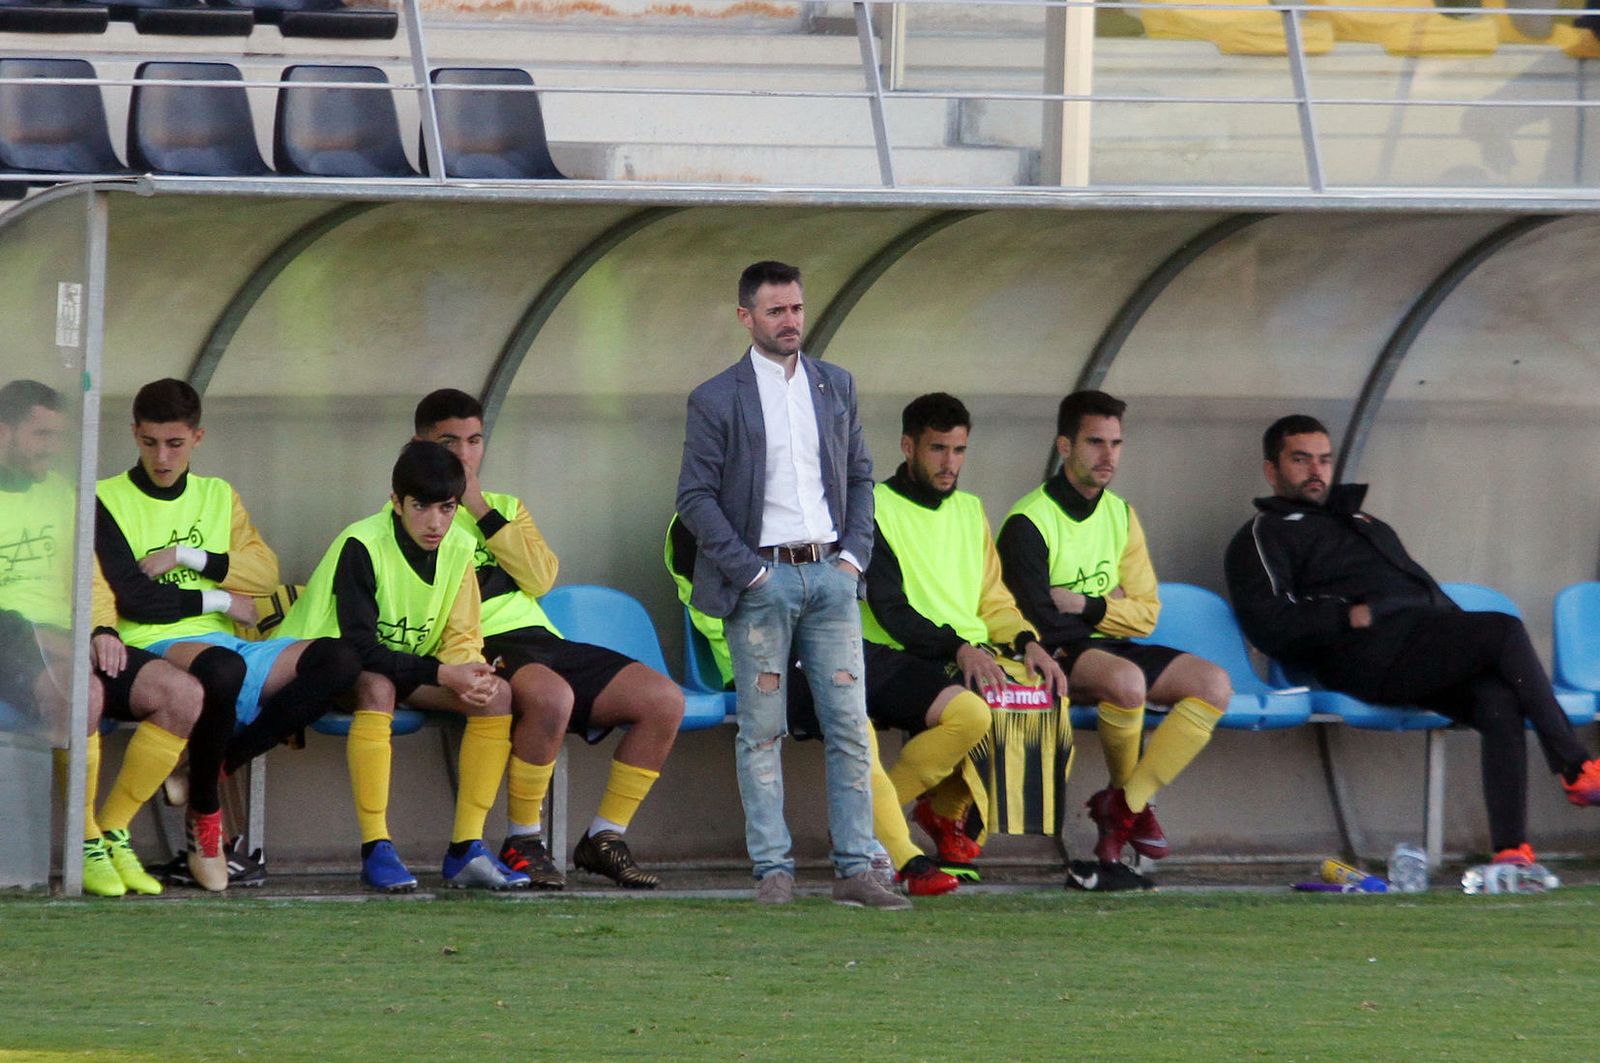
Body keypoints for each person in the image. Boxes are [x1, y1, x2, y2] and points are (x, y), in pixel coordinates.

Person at [1224, 414, 1600, 869]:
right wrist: (1346, 615)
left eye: (1324, 460)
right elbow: (1269, 624)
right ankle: (1576, 767)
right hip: (1363, 658)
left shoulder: (1361, 520)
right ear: (1272, 470)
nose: (1316, 471)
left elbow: (1421, 590)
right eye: (1301, 460)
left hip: (1417, 647)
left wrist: (1467, 643)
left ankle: (1511, 853)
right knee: (1502, 628)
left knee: (1498, 699)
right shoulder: (1262, 535)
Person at [676, 260, 906, 909]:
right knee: (762, 728)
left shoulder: (835, 385)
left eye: (797, 308)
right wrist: (750, 569)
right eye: (776, 311)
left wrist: (853, 559)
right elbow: (693, 495)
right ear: (746, 316)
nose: (791, 322)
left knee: (849, 726)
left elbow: (861, 475)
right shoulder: (716, 397)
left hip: (831, 575)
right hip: (762, 577)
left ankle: (856, 869)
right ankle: (772, 871)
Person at [95, 378, 361, 890]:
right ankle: (206, 817)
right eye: (150, 442)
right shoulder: (106, 497)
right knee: (224, 668)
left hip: (225, 644)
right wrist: (217, 597)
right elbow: (133, 597)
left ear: (198, 437)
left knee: (341, 660)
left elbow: (263, 576)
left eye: (174, 443)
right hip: (151, 641)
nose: (162, 457)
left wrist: (186, 556)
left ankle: (205, 769)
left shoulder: (218, 495)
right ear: (134, 435)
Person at [414, 389, 684, 890]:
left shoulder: (506, 507)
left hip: (540, 636)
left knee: (663, 699)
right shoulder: (413, 510)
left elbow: (540, 579)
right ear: (420, 444)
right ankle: (524, 840)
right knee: (552, 695)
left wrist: (478, 508)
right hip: (476, 644)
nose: (463, 454)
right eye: (449, 442)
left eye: (474, 441)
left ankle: (604, 837)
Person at [666, 514, 967, 896]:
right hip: (760, 657)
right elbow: (728, 601)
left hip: (832, 637)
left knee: (967, 712)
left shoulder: (805, 495)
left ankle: (859, 818)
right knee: (853, 722)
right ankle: (905, 858)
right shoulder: (697, 519)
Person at [279, 440, 530, 892]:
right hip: (318, 665)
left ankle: (466, 850)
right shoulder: (361, 543)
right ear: (396, 502)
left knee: (499, 696)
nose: (435, 522)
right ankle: (376, 847)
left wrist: (470, 672)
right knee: (377, 687)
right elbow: (356, 648)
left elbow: (461, 636)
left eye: (447, 508)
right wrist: (441, 674)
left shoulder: (459, 548)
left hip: (405, 668)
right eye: (420, 507)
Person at [998, 390, 1228, 872]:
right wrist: (1107, 608)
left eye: (1116, 444)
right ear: (1065, 446)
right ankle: (1132, 813)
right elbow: (1039, 619)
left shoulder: (1121, 514)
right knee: (1126, 681)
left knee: (1213, 684)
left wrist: (1083, 603)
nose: (1108, 456)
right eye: (1095, 442)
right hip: (1051, 655)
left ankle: (1126, 805)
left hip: (1109, 646)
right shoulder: (1028, 520)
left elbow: (1147, 614)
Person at [1, 379, 209, 896]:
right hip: (11, 643)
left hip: (65, 643)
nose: (52, 449)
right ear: (3, 433)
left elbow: (90, 578)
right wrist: (36, 636)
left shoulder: (64, 495)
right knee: (84, 693)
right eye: (41, 435)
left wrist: (100, 628)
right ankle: (84, 838)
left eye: (58, 437)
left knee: (183, 696)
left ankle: (113, 830)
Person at [859, 393, 1071, 873]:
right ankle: (881, 823)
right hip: (898, 652)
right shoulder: (872, 507)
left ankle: (945, 814)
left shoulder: (970, 509)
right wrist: (962, 648)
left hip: (967, 652)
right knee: (990, 700)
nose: (949, 463)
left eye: (958, 451)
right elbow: (890, 610)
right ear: (907, 447)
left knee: (1044, 692)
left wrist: (1028, 642)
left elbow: (993, 599)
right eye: (938, 449)